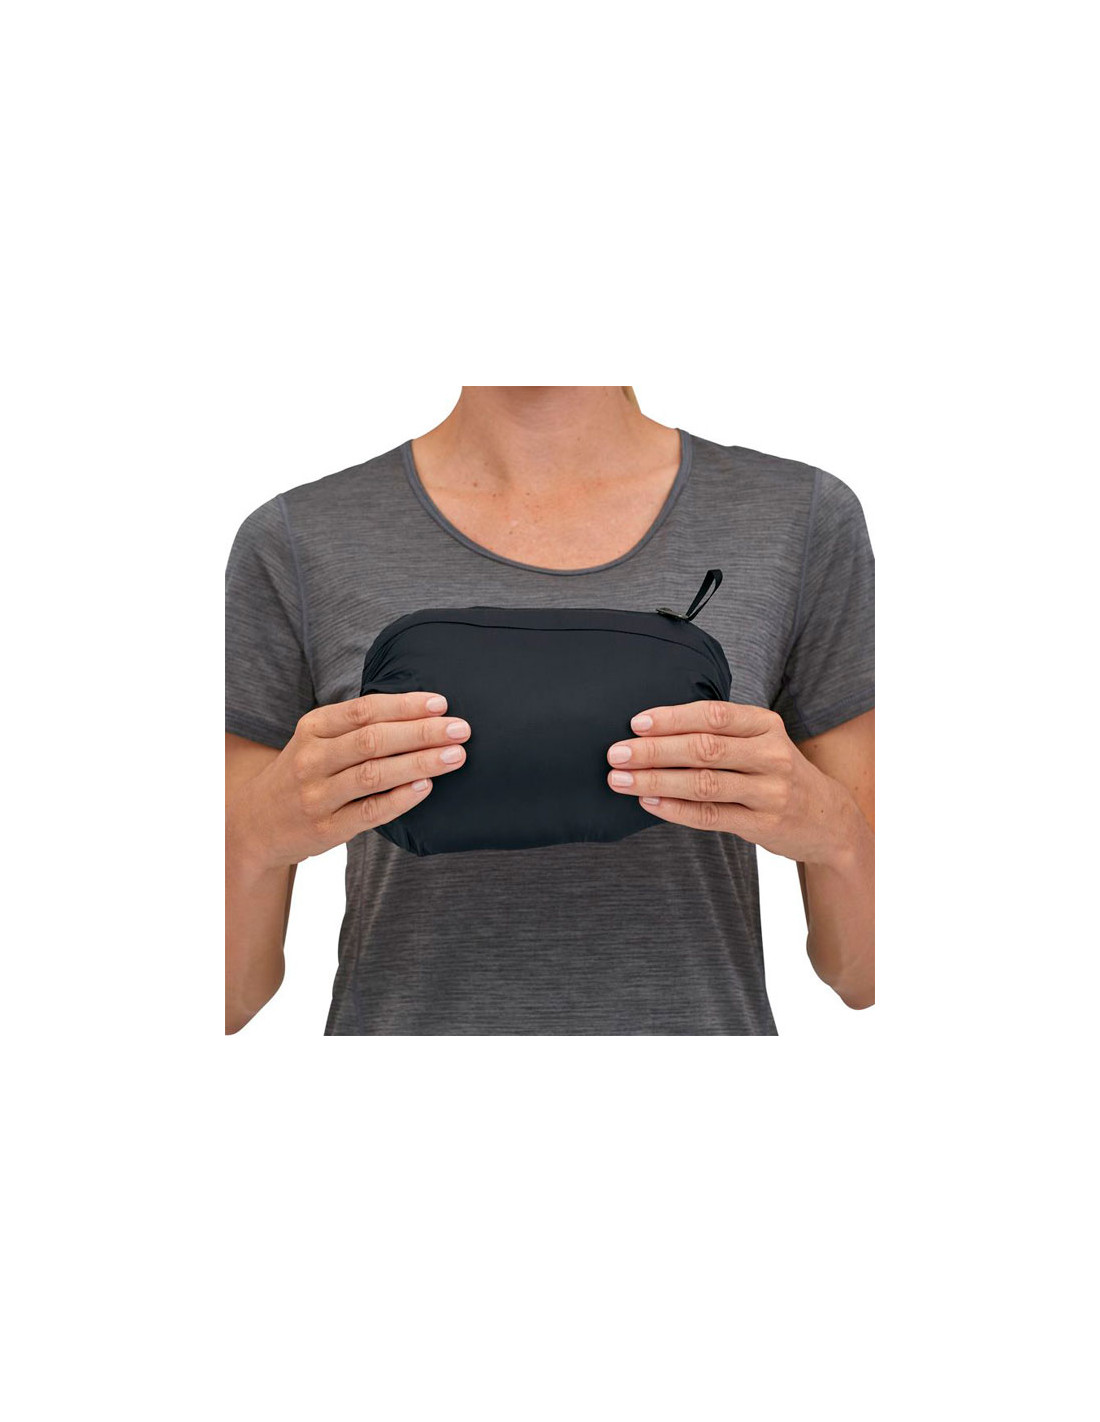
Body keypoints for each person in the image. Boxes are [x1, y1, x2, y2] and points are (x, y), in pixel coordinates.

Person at [225, 387, 874, 1034]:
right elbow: (227, 1001)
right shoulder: (297, 538)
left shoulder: (798, 518)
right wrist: (253, 837)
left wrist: (836, 834)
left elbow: (865, 977)